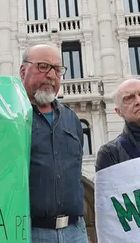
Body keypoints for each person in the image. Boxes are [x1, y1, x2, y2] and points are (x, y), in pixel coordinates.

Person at [19, 44, 88, 242]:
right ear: (23, 71)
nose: (51, 75)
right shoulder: (9, 114)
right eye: (42, 66)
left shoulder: (72, 119)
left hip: (76, 232)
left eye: (57, 69)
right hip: (31, 233)